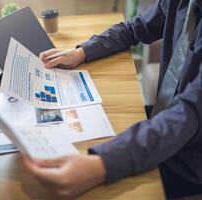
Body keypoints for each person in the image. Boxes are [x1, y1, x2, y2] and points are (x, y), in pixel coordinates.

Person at [22, 0, 202, 199]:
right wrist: (81, 52)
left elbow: (190, 114)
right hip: (166, 119)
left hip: (189, 159)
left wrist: (102, 163)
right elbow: (135, 27)